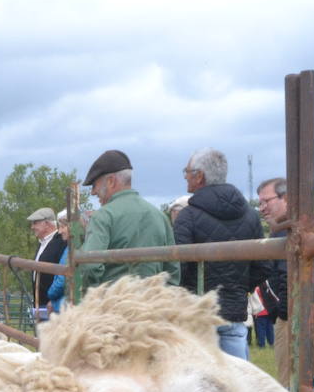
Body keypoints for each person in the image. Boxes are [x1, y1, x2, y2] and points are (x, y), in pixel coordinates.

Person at [172, 148, 265, 360]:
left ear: (199, 176)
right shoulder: (251, 216)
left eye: (187, 171)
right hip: (234, 313)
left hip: (199, 314)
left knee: (200, 384)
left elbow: (180, 267)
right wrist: (239, 288)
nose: (185, 176)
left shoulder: (188, 216)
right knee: (239, 384)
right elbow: (263, 265)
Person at [255, 176, 314, 385]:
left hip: (300, 308)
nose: (262, 208)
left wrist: (282, 314)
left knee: (290, 383)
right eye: (260, 203)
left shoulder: (286, 231)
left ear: (287, 199)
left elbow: (284, 276)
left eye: (267, 201)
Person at [76, 149, 179, 293]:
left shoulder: (103, 217)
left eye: (95, 185)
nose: (93, 192)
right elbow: (172, 270)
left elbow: (90, 265)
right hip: (153, 307)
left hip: (114, 307)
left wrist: (91, 296)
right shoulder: (159, 216)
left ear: (111, 181)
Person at [27, 207, 66, 319]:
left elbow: (63, 274)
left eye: (35, 223)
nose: (32, 227)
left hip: (53, 305)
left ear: (47, 224)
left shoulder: (60, 242)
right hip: (41, 304)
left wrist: (53, 298)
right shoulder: (43, 243)